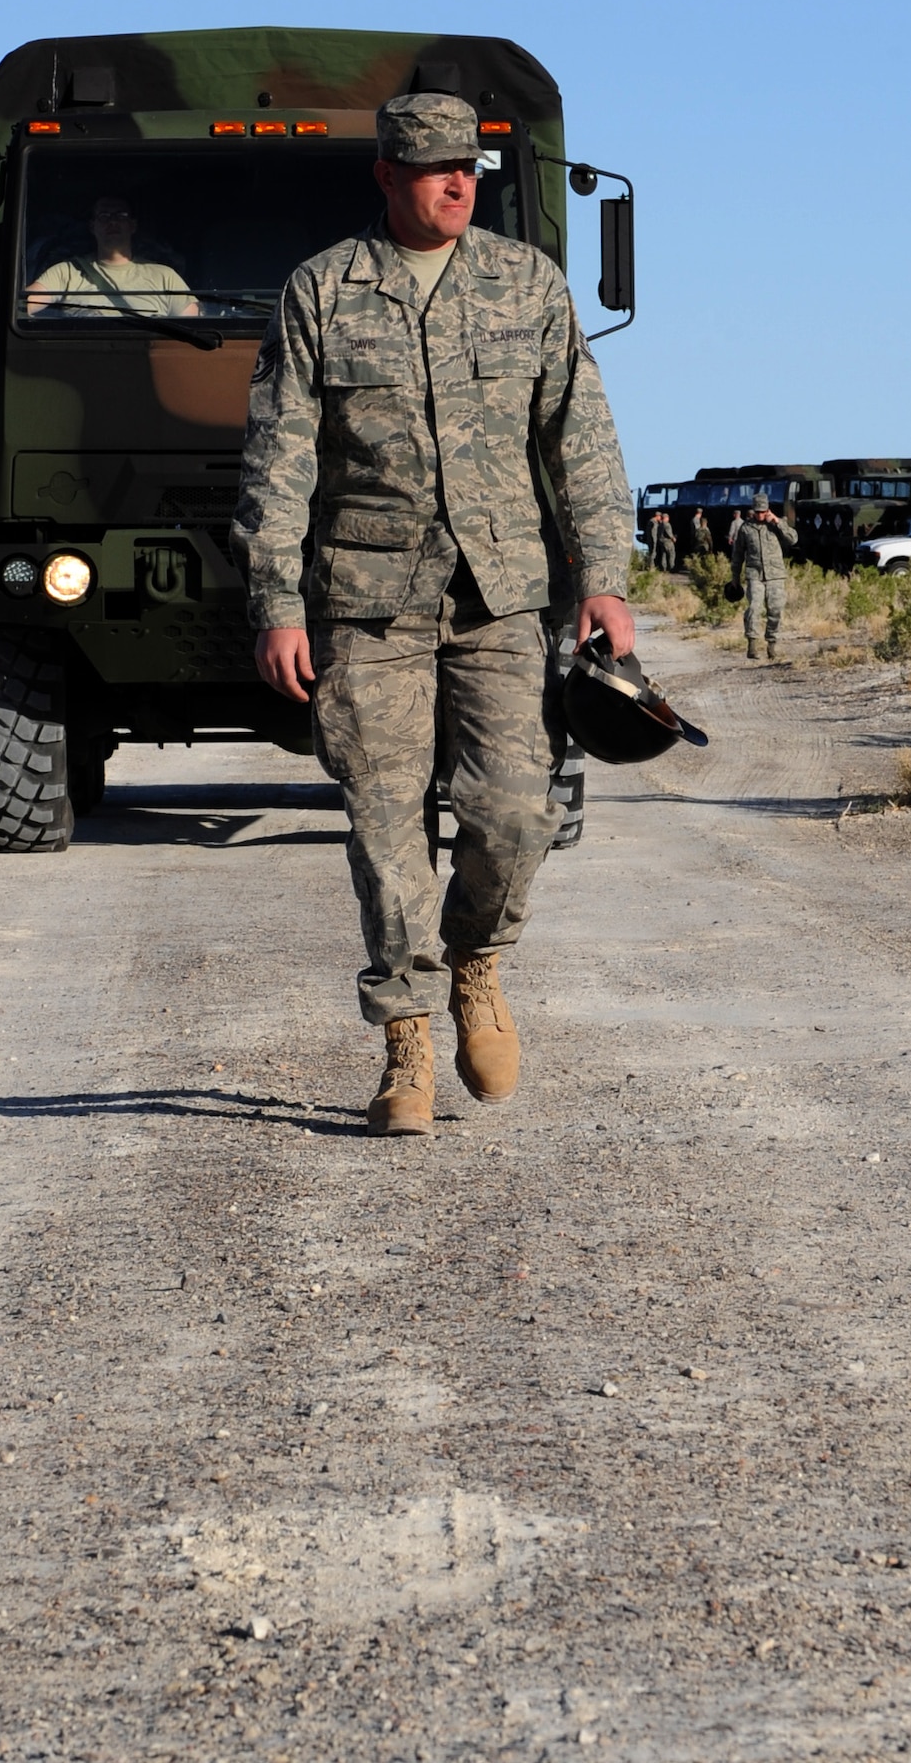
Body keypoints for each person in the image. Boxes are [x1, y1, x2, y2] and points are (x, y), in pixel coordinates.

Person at [231, 92, 634, 1138]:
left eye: (469, 167)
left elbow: (580, 438)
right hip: (367, 603)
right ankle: (404, 1035)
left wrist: (605, 576)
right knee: (383, 823)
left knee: (513, 813)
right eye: (432, 167)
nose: (456, 184)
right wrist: (277, 602)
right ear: (385, 173)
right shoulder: (322, 289)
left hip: (502, 597)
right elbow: (279, 460)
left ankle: (477, 960)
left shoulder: (523, 282)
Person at [26, 196, 199, 318]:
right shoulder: (67, 272)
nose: (113, 222)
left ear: (132, 225)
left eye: (120, 216)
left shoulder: (163, 276)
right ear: (92, 226)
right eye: (104, 216)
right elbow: (21, 306)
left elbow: (194, 328)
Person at [731, 489, 798, 661]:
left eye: (763, 511)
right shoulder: (746, 528)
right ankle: (752, 644)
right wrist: (735, 578)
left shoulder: (776, 524)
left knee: (775, 610)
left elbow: (793, 539)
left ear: (768, 510)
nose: (760, 515)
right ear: (753, 510)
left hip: (775, 575)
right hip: (755, 575)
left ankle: (771, 644)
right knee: (754, 608)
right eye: (757, 512)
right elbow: (738, 555)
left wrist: (778, 522)